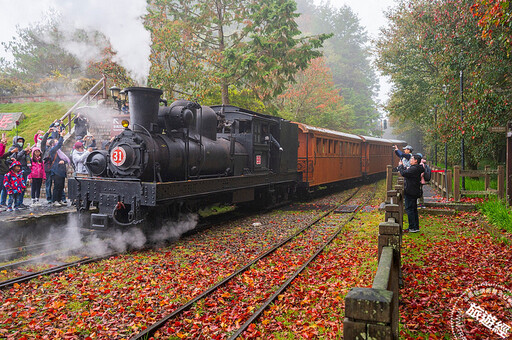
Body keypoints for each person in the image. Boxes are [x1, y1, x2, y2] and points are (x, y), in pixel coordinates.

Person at [397, 154, 424, 233]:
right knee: (414, 209)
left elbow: (404, 173)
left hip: (410, 191)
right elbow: (407, 172)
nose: (410, 160)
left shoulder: (414, 169)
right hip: (414, 191)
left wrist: (400, 166)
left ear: (416, 161)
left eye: (412, 159)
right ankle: (415, 227)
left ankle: (412, 227)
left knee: (409, 209)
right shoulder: (417, 168)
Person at [8, 136, 31, 208]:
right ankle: (16, 203)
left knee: (23, 187)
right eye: (19, 141)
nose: (20, 143)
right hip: (17, 171)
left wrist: (27, 154)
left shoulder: (22, 150)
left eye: (21, 141)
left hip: (24, 169)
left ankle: (20, 202)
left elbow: (27, 160)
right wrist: (23, 151)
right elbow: (16, 158)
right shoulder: (12, 149)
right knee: (17, 188)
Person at [47, 135, 67, 207]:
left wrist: (63, 162)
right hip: (56, 170)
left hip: (62, 171)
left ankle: (59, 199)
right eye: (55, 141)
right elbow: (59, 145)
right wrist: (61, 136)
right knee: (56, 186)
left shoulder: (60, 152)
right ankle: (54, 200)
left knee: (61, 186)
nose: (57, 142)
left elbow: (66, 160)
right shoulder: (52, 150)